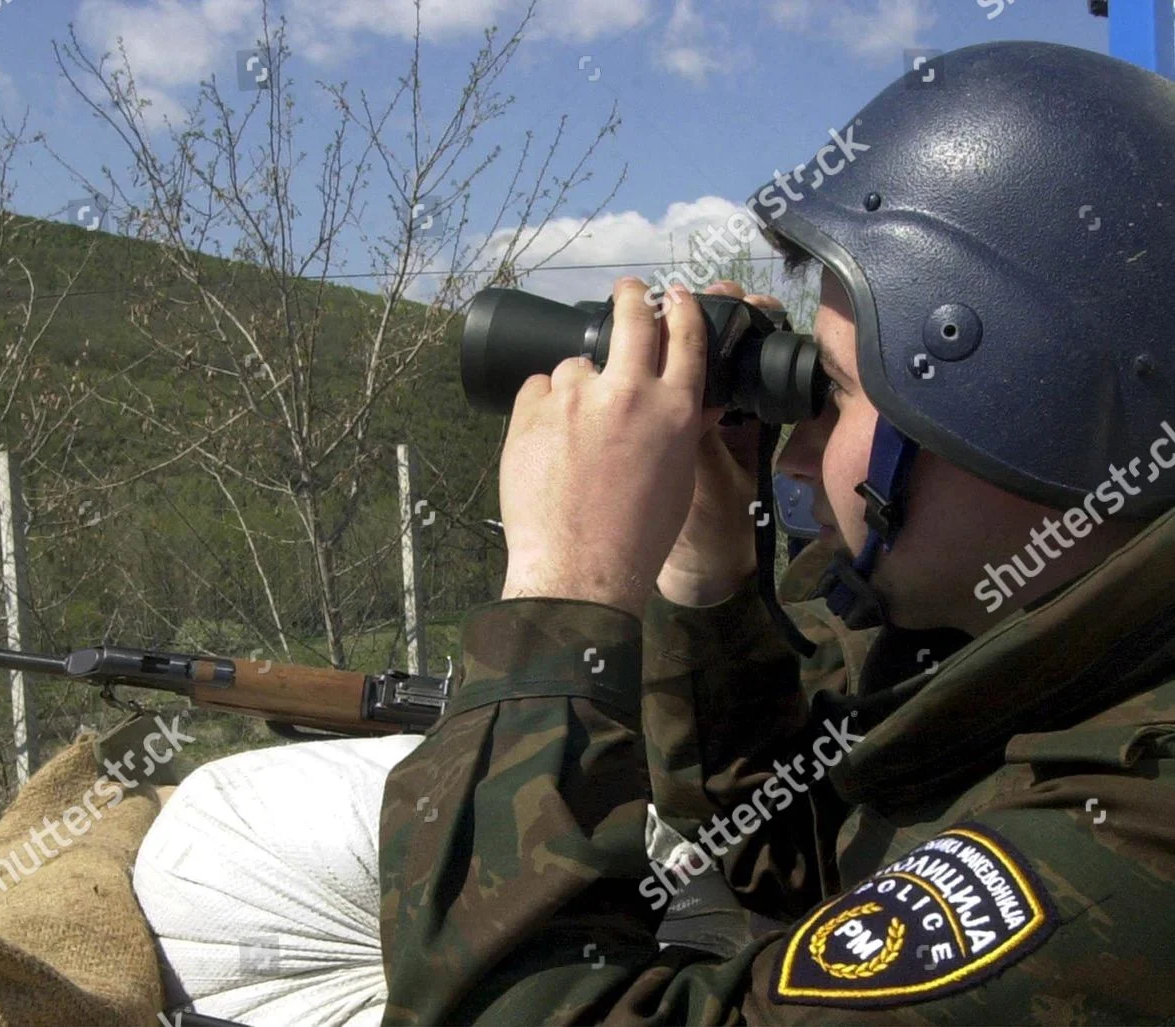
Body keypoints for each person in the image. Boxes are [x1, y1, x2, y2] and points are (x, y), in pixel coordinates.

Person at [377, 40, 1175, 1025]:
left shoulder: (1123, 849)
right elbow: (795, 852)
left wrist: (562, 594)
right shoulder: (1039, 633)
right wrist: (707, 565)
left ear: (1014, 415)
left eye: (835, 394)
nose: (794, 456)